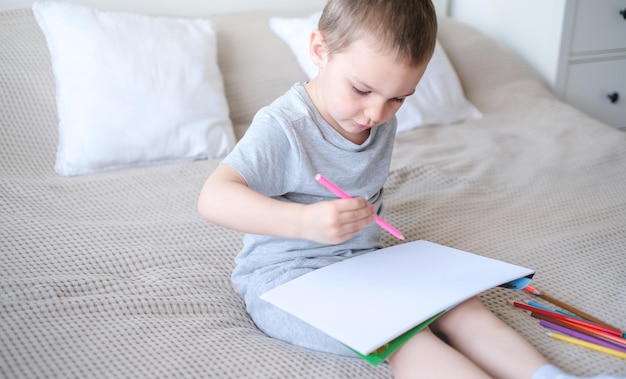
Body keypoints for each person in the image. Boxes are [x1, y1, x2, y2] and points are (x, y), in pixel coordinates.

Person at [198, 1, 624, 378]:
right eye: (362, 89)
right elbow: (213, 197)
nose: (376, 113)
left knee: (461, 306)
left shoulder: (380, 115)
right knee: (407, 336)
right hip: (285, 281)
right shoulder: (284, 128)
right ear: (320, 51)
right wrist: (303, 219)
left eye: (399, 98)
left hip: (361, 263)